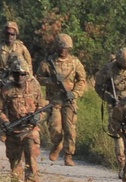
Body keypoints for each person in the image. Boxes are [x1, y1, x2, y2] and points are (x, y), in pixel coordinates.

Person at [0, 59, 47, 182]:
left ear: (26, 75)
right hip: (13, 131)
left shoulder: (35, 87)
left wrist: (37, 117)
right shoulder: (6, 90)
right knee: (15, 164)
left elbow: (42, 106)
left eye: (22, 74)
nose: (19, 77)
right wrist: (5, 122)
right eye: (16, 74)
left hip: (30, 130)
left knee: (31, 160)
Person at [37, 33, 88, 166]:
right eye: (61, 48)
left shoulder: (75, 62)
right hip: (54, 102)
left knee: (70, 129)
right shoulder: (48, 63)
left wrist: (75, 93)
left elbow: (82, 80)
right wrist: (52, 81)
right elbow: (39, 78)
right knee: (55, 128)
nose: (63, 51)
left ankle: (68, 155)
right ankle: (57, 144)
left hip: (69, 101)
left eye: (66, 48)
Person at [0, 21, 34, 86]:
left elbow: (29, 67)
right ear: (4, 34)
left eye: (12, 34)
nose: (9, 36)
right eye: (7, 34)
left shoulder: (22, 48)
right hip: (2, 81)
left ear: (16, 35)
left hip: (19, 79)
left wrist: (27, 80)